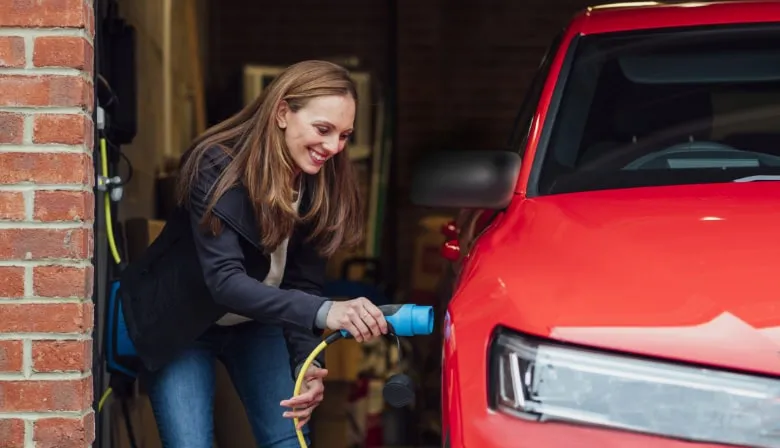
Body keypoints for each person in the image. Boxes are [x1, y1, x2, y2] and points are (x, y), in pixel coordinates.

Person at [118, 60, 389, 447]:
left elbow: (303, 284)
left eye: (345, 135)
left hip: (256, 322)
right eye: (323, 129)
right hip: (183, 322)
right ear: (282, 112)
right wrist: (330, 311)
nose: (333, 147)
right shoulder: (216, 164)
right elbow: (225, 282)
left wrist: (306, 364)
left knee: (288, 440)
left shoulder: (320, 183)